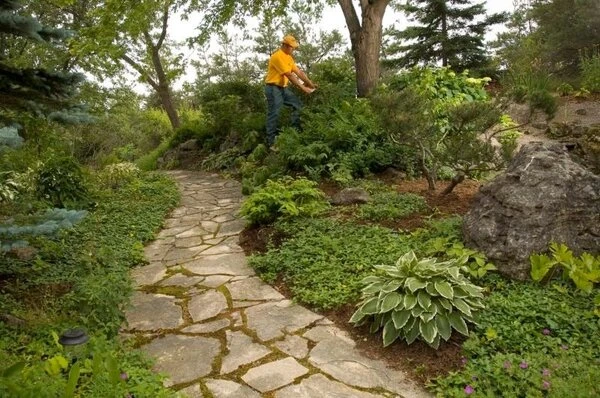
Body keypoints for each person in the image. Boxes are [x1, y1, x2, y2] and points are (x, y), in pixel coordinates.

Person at [264, 34, 316, 148]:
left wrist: (310, 83)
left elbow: (299, 72)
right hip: (273, 88)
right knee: (274, 113)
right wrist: (304, 88)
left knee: (298, 105)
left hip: (283, 88)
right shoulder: (277, 56)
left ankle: (295, 133)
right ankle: (270, 142)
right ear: (285, 45)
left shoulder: (289, 57)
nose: (293, 50)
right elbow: (290, 76)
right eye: (292, 47)